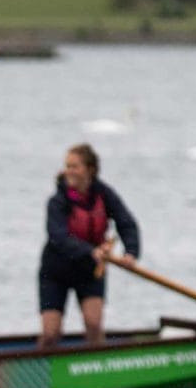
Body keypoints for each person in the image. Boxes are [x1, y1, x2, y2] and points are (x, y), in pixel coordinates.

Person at [43, 143, 141, 348]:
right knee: (51, 333)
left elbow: (126, 223)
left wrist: (130, 253)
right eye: (67, 166)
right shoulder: (57, 201)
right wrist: (90, 251)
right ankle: (41, 365)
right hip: (56, 271)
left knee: (94, 324)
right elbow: (58, 237)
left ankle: (97, 364)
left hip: (90, 271)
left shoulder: (104, 194)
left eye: (74, 166)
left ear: (90, 170)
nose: (69, 171)